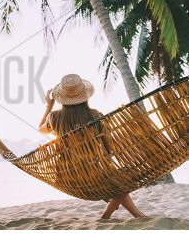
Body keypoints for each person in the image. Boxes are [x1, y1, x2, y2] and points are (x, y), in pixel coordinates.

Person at [38, 74, 147, 219]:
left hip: (66, 175)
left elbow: (40, 129)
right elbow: (109, 150)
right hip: (92, 173)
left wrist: (48, 107)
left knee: (118, 184)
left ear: (62, 99)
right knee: (124, 179)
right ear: (85, 96)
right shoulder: (95, 116)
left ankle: (115, 216)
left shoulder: (54, 117)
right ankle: (114, 216)